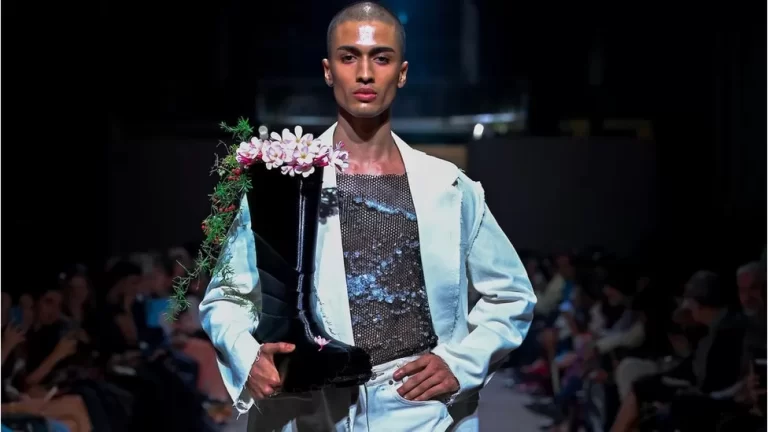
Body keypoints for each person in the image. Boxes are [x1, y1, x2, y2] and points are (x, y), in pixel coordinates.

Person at [199, 2, 536, 431]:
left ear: (402, 72)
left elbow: (511, 295)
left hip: (421, 412)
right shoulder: (284, 181)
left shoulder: (449, 187)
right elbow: (226, 298)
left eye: (381, 58)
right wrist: (248, 357)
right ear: (328, 71)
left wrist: (461, 363)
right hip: (310, 409)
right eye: (348, 57)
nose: (364, 73)